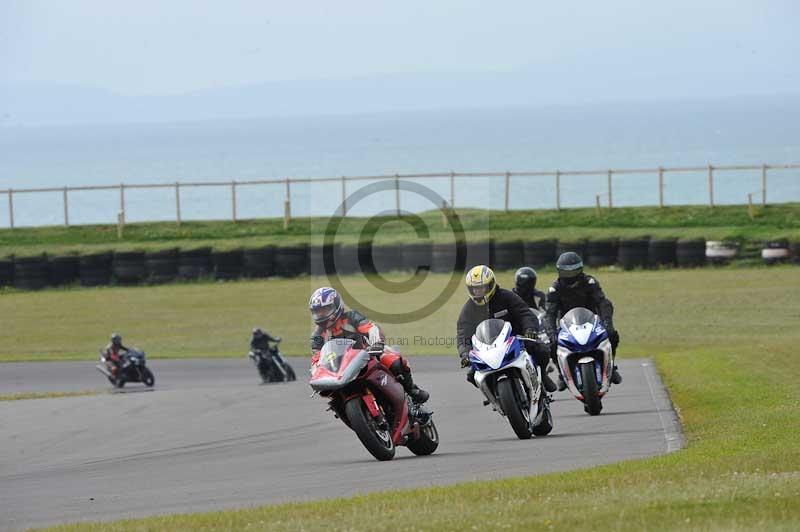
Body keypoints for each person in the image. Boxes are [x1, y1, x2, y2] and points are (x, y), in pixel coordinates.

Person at [308, 286, 429, 403]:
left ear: (337, 306)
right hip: (342, 366)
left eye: (325, 310)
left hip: (370, 353)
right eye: (317, 312)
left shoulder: (352, 317)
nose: (321, 315)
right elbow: (317, 358)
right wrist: (316, 372)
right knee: (329, 391)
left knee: (395, 362)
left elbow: (371, 329)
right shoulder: (317, 335)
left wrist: (377, 344)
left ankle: (413, 391)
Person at [456, 265, 557, 392]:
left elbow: (525, 313)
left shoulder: (506, 296)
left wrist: (529, 330)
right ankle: (494, 393)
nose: (478, 292)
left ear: (491, 284)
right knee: (472, 374)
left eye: (481, 288)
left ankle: (542, 375)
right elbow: (463, 333)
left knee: (541, 349)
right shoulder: (469, 309)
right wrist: (465, 353)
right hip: (488, 347)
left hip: (516, 339)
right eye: (474, 289)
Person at [544, 251, 622, 390]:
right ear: (560, 271)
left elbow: (603, 303)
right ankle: (562, 374)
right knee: (553, 344)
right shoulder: (554, 289)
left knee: (611, 334)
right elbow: (550, 314)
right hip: (567, 325)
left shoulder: (589, 282)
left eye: (574, 271)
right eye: (567, 272)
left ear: (580, 269)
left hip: (592, 322)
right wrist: (551, 332)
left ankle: (612, 366)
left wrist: (607, 322)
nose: (571, 275)